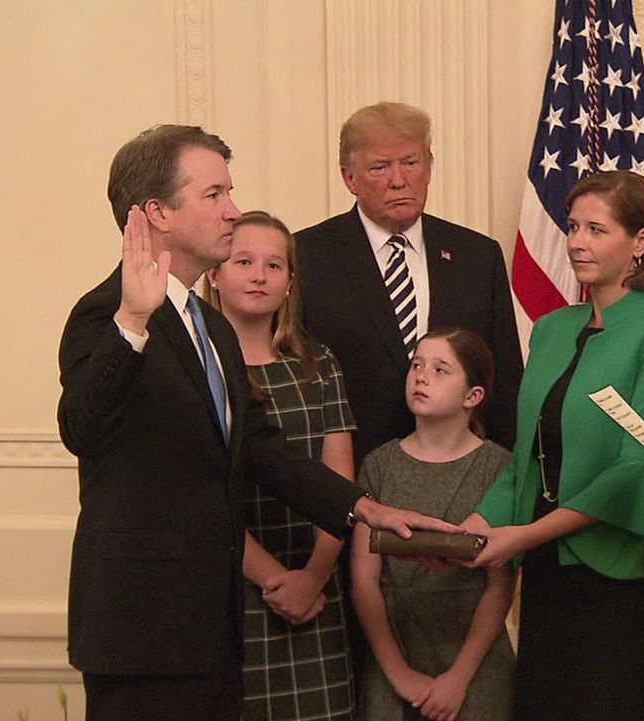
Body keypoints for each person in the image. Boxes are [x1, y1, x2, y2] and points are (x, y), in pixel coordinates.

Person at [57, 124, 455, 721]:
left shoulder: (209, 325)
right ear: (156, 213)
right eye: (214, 195)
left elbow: (262, 450)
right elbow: (81, 430)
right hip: (141, 626)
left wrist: (366, 511)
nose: (232, 211)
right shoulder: (107, 313)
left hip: (212, 627)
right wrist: (132, 324)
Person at [464, 170, 644, 721]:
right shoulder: (552, 330)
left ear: (640, 243)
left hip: (630, 578)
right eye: (573, 226)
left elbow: (634, 474)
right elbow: (527, 459)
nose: (576, 241)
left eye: (596, 229)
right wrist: (475, 527)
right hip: (552, 572)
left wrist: (523, 534)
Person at [294, 101, 522, 465]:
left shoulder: (477, 256)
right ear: (349, 178)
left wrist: (507, 488)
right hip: (349, 478)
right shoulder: (305, 256)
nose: (398, 180)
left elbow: (506, 383)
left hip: (465, 480)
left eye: (411, 163)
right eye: (380, 167)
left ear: (429, 167)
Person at [205, 211, 357, 720]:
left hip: (318, 590)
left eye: (274, 265)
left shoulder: (319, 366)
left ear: (290, 282)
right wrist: (274, 580)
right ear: (214, 273)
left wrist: (312, 577)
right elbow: (204, 495)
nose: (258, 275)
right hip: (235, 591)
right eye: (243, 261)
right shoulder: (198, 369)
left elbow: (339, 486)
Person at [351, 327, 515, 721]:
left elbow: (502, 586)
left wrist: (458, 679)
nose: (421, 376)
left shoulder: (498, 468)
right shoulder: (379, 465)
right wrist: (399, 674)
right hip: (393, 660)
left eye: (441, 370)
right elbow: (364, 582)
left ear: (472, 396)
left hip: (473, 667)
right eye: (416, 365)